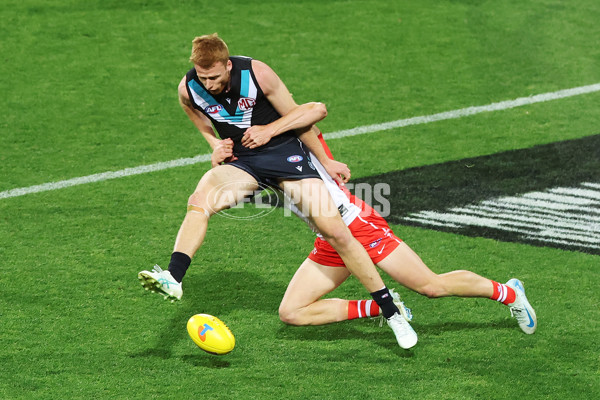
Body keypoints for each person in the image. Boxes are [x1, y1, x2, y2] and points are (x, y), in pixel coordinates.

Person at [138, 33, 417, 349]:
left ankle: (391, 312)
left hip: (286, 156)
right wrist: (214, 143)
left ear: (227, 65)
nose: (209, 84)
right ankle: (173, 277)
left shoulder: (257, 74)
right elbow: (192, 109)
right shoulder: (189, 87)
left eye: (214, 77)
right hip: (245, 162)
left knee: (337, 234)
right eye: (203, 77)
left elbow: (302, 115)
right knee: (199, 201)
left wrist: (321, 158)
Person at [277, 132, 538, 335]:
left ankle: (509, 293)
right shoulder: (256, 152)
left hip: (357, 225)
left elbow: (314, 111)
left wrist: (276, 125)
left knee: (430, 286)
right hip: (329, 235)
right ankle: (386, 307)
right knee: (292, 311)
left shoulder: (293, 132)